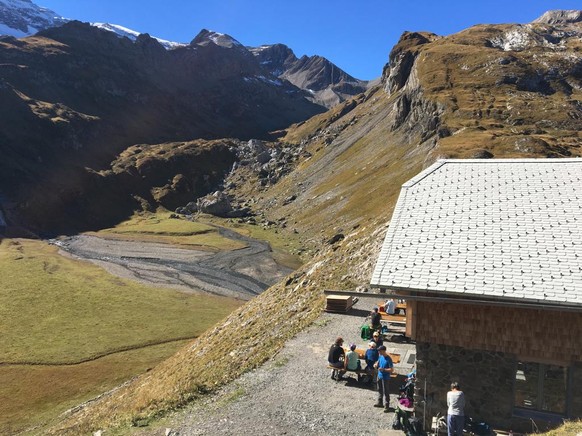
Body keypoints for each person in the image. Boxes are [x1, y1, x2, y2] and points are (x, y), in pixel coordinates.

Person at [374, 345, 394, 411]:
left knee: (386, 391)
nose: (378, 352)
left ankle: (387, 405)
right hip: (379, 376)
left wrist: (384, 370)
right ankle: (380, 402)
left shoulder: (389, 359)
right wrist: (376, 364)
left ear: (383, 351)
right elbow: (378, 362)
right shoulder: (380, 356)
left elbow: (391, 370)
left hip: (385, 377)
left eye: (379, 351)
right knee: (379, 389)